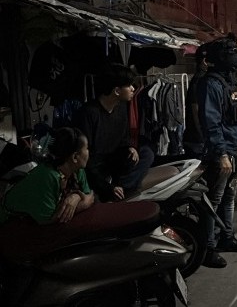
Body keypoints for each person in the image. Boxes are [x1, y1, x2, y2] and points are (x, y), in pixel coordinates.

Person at [197, 34, 237, 268]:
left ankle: (226, 237)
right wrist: (221, 154)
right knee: (214, 199)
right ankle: (207, 249)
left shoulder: (228, 82)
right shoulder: (210, 84)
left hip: (233, 148)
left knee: (229, 196)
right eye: (232, 53)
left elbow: (235, 118)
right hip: (221, 152)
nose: (236, 57)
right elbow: (211, 122)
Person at [73, 64, 154, 202]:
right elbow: (85, 159)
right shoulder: (89, 113)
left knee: (146, 153)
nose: (133, 89)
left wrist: (130, 147)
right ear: (116, 90)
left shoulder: (121, 108)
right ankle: (112, 190)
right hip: (94, 166)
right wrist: (105, 186)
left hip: (114, 162)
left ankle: (121, 187)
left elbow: (124, 139)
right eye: (129, 86)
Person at [0, 127, 94, 225]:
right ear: (75, 157)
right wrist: (82, 204)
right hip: (10, 224)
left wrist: (76, 197)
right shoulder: (48, 175)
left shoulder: (77, 170)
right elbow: (50, 219)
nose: (89, 152)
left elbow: (89, 195)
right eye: (86, 148)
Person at [182, 43, 209, 157]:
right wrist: (203, 138)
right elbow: (196, 110)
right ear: (205, 61)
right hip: (197, 140)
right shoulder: (200, 80)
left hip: (197, 139)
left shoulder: (201, 79)